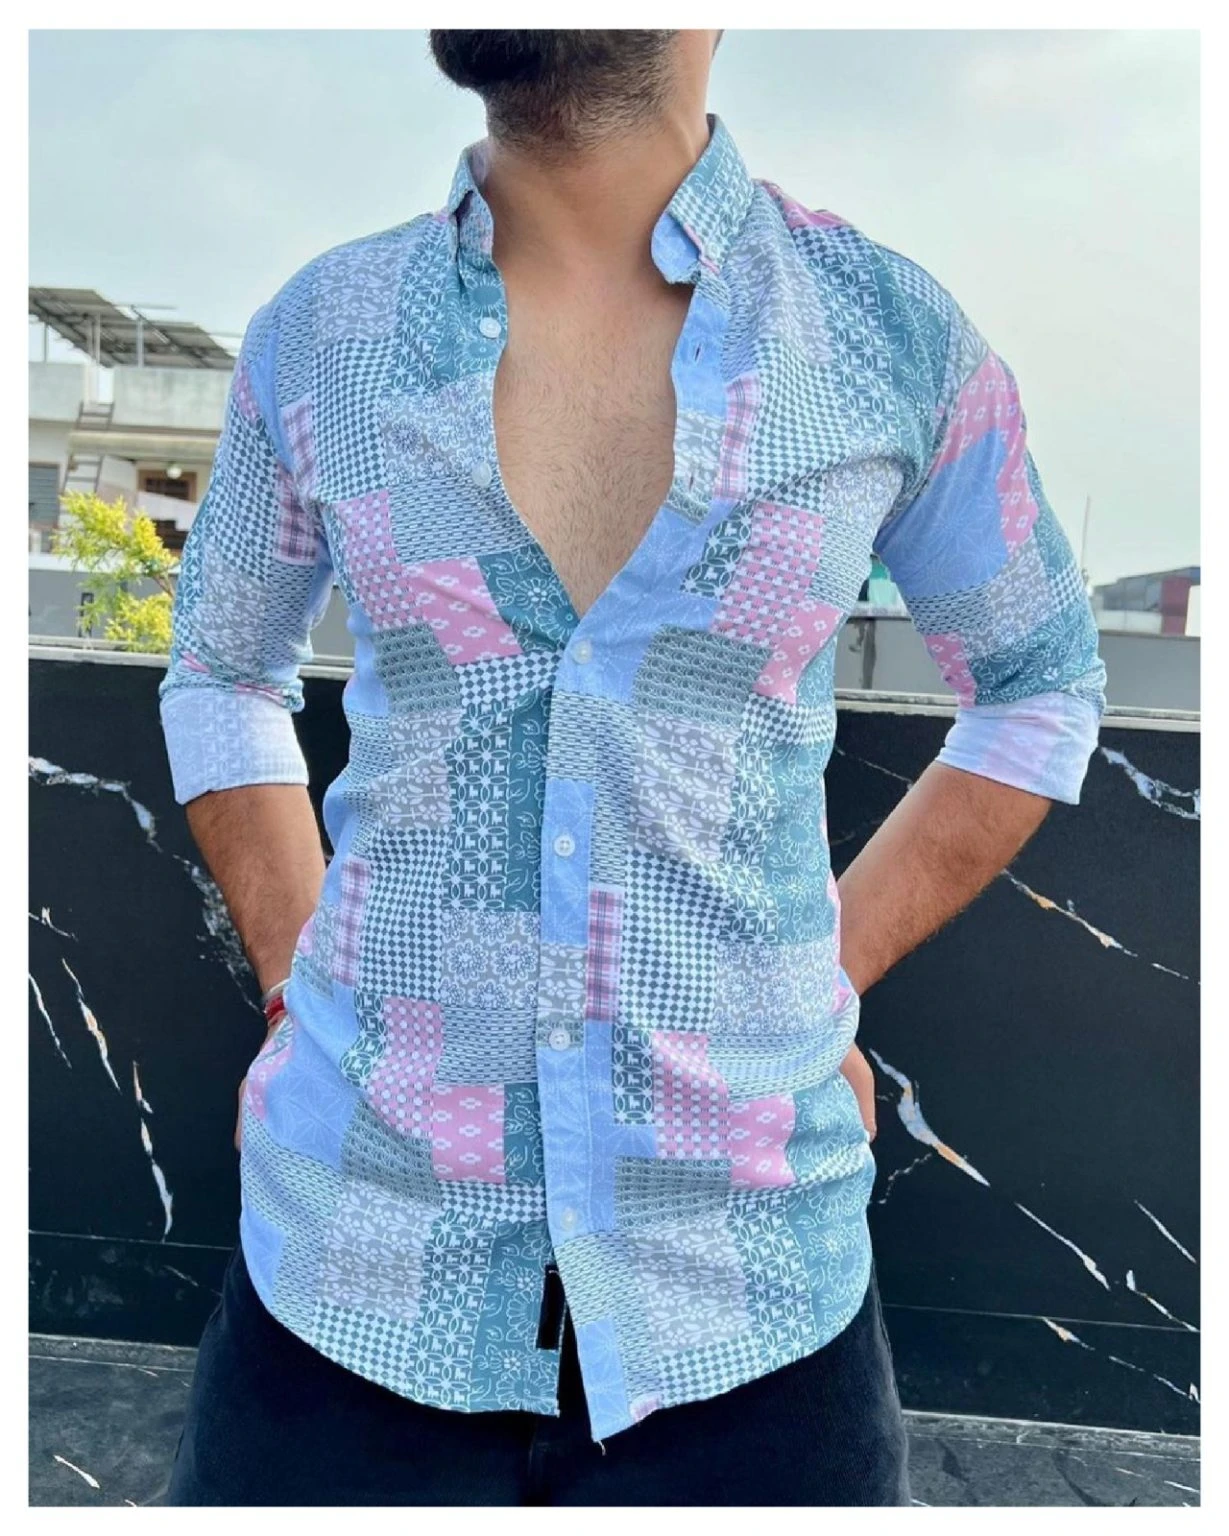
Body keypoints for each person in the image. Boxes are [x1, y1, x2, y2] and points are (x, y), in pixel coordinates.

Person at [160, 29, 1105, 1506]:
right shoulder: (321, 336)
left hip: (750, 1308)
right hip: (348, 1275)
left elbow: (1040, 682)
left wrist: (824, 973)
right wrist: (293, 977)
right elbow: (222, 668)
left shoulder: (886, 337)